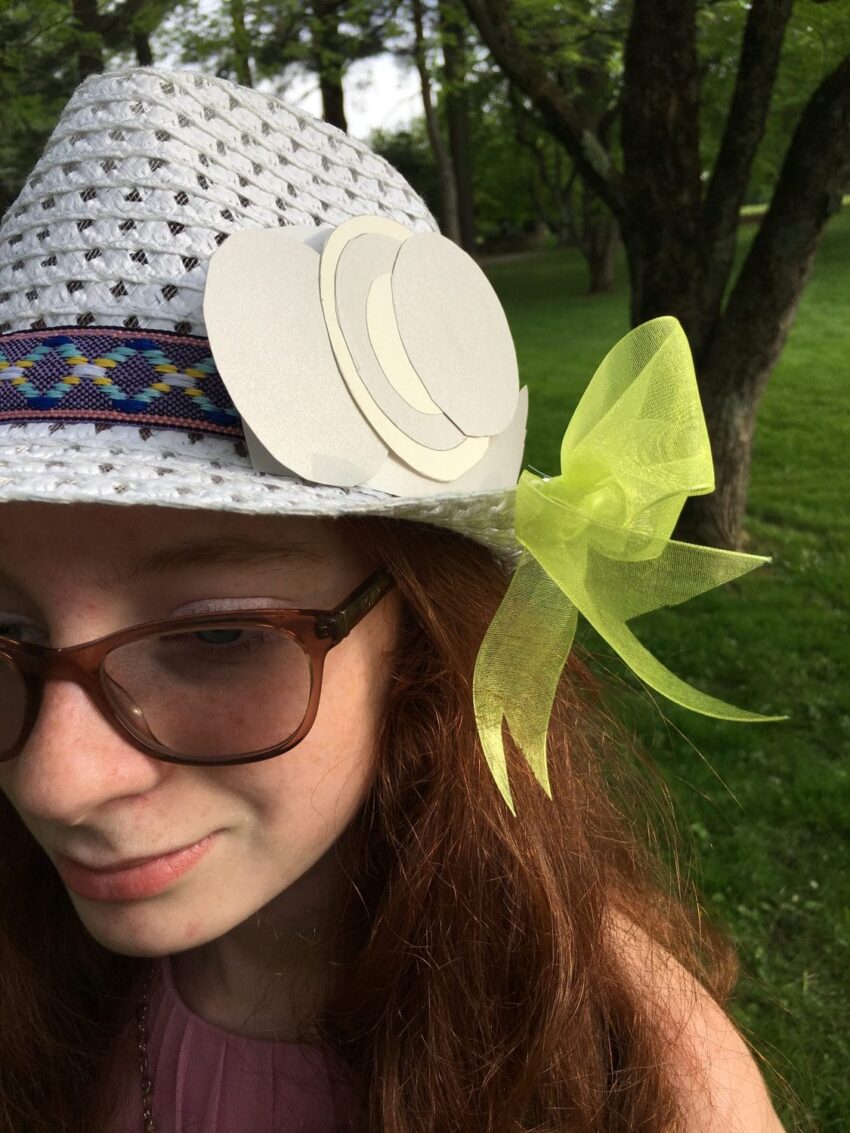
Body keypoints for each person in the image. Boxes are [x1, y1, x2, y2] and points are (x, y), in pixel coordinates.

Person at [0, 67, 788, 1133]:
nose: (56, 781)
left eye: (218, 635)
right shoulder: (36, 969)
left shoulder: (626, 1069)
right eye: (5, 635)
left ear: (423, 634)